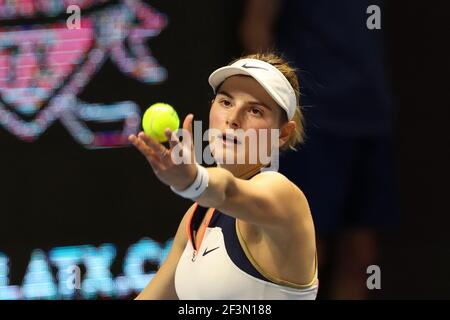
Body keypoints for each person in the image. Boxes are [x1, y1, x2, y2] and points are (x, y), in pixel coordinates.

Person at [240, 0, 397, 299]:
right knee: (304, 256)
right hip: (311, 126)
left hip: (371, 118)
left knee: (360, 257)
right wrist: (279, 108)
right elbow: (254, 28)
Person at [129, 53, 318, 299]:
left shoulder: (282, 195)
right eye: (226, 102)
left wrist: (193, 179)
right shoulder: (196, 217)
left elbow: (227, 189)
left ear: (282, 133)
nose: (233, 119)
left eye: (255, 110)